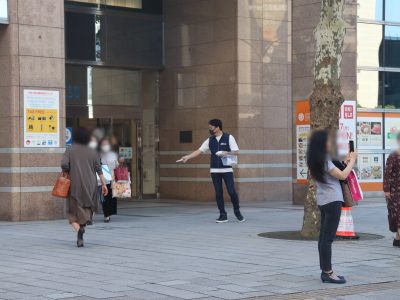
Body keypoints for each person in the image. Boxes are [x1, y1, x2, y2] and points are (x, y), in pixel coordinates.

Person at [307, 130, 357, 284]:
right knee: (327, 239)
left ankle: (325, 271)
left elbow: (338, 169)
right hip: (333, 201)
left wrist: (346, 161)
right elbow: (342, 175)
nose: (331, 143)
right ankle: (328, 273)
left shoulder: (315, 159)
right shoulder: (325, 160)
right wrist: (352, 161)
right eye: (328, 141)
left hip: (323, 201)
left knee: (323, 238)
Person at [180, 119, 245, 223]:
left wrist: (225, 153)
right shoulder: (210, 140)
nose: (210, 130)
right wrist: (188, 157)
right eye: (209, 128)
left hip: (227, 169)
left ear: (218, 127)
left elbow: (237, 152)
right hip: (214, 170)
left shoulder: (229, 137)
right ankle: (223, 215)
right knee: (218, 193)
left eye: (211, 128)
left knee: (231, 191)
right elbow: (199, 150)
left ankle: (237, 211)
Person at [61, 127, 108, 247]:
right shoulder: (93, 151)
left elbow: (64, 164)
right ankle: (82, 227)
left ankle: (79, 231)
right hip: (90, 184)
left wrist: (67, 170)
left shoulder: (70, 150)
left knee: (72, 212)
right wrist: (103, 184)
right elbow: (99, 169)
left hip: (74, 184)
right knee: (88, 208)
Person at [384, 132, 400, 247]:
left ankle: (397, 239)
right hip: (395, 191)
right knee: (397, 214)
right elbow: (387, 174)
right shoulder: (393, 156)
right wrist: (387, 190)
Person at [99, 137, 119, 223]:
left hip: (111, 176)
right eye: (103, 144)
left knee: (111, 196)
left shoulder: (112, 154)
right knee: (105, 195)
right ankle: (106, 214)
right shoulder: (99, 153)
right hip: (103, 175)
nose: (105, 146)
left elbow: (115, 165)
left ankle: (109, 213)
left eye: (106, 144)